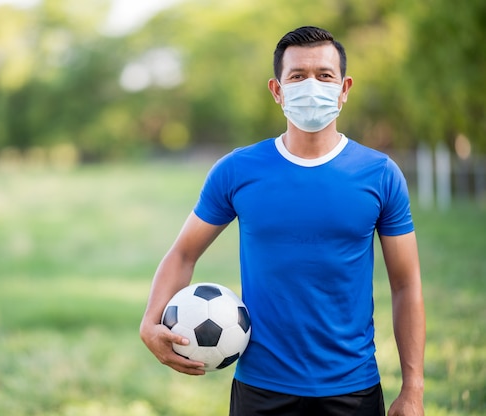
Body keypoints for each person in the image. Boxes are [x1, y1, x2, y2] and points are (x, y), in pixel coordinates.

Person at [139, 26, 425, 416]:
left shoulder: (380, 174)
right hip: (261, 389)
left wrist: (413, 390)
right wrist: (150, 322)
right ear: (277, 90)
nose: (312, 85)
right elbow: (183, 253)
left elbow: (406, 285)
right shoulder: (238, 170)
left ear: (344, 89)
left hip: (353, 389)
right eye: (297, 76)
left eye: (325, 75)